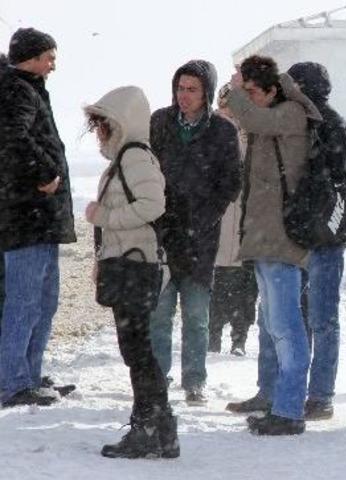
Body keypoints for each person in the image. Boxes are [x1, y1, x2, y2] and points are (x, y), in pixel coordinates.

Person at [222, 55, 322, 435]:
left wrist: (235, 93)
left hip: (282, 240)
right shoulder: (271, 117)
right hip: (266, 241)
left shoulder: (291, 113)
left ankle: (290, 410)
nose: (246, 98)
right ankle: (282, 404)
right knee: (276, 325)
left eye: (251, 91)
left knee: (287, 326)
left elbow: (249, 117)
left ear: (271, 90)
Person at [83, 85, 179, 459]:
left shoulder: (135, 157)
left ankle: (149, 428)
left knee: (137, 351)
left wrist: (105, 217)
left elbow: (154, 205)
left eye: (104, 124)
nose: (99, 132)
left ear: (122, 122)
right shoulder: (129, 156)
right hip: (129, 264)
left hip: (133, 267)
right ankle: (160, 428)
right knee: (139, 350)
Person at [149, 60, 241, 405]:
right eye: (180, 88)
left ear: (206, 93)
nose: (184, 96)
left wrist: (203, 218)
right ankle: (157, 379)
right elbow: (146, 170)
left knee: (196, 316)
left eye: (192, 90)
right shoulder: (159, 123)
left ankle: (194, 381)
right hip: (162, 233)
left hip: (200, 237)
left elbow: (231, 182)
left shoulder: (222, 131)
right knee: (158, 314)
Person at [0, 28, 77, 408]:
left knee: (42, 303)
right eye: (49, 56)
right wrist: (45, 172)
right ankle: (12, 381)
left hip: (38, 219)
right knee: (25, 302)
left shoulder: (26, 87)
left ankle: (29, 374)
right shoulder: (17, 89)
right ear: (30, 57)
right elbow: (12, 137)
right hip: (26, 219)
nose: (53, 64)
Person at [286, 61, 346, 420]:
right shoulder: (308, 124)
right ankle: (302, 392)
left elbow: (332, 186)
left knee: (320, 319)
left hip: (323, 239)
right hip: (305, 235)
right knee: (301, 319)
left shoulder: (331, 127)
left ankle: (320, 395)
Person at [208, 86, 257, 357]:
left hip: (246, 226)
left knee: (245, 289)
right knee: (215, 287)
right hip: (219, 222)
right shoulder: (212, 133)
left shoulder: (254, 135)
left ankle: (240, 337)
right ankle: (212, 335)